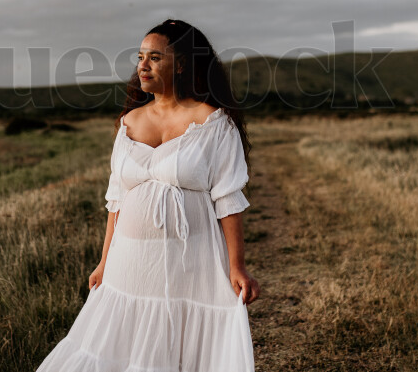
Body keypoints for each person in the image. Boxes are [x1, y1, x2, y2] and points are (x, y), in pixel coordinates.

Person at [35, 19, 260, 372]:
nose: (142, 66)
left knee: (181, 353)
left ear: (182, 64)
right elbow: (116, 202)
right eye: (140, 57)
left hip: (191, 263)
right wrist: (104, 262)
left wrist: (237, 267)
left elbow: (228, 199)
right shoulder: (129, 122)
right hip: (130, 265)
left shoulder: (214, 123)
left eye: (155, 57)